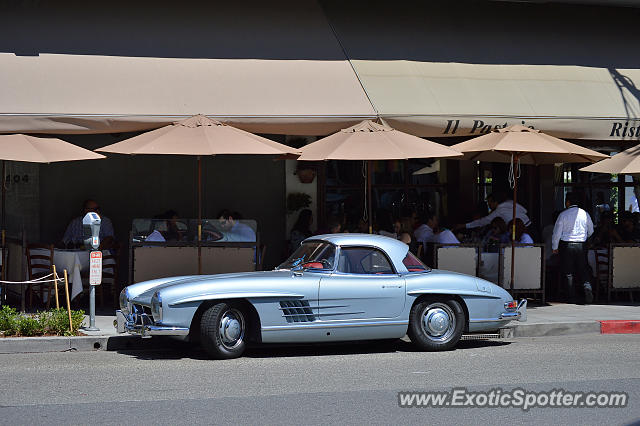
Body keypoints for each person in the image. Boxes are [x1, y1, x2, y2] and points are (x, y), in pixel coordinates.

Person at [552, 192, 594, 304]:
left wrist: (554, 247)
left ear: (567, 202)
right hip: (581, 244)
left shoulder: (563, 214)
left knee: (568, 271)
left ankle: (571, 297)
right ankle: (587, 287)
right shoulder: (585, 213)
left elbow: (557, 233)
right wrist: (584, 237)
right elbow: (591, 230)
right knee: (583, 268)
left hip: (567, 245)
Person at [457, 191, 531, 231]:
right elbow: (525, 211)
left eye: (490, 203)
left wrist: (464, 225)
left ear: (495, 202)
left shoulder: (499, 211)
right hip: (530, 226)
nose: (488, 205)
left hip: (523, 230)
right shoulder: (510, 202)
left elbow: (483, 221)